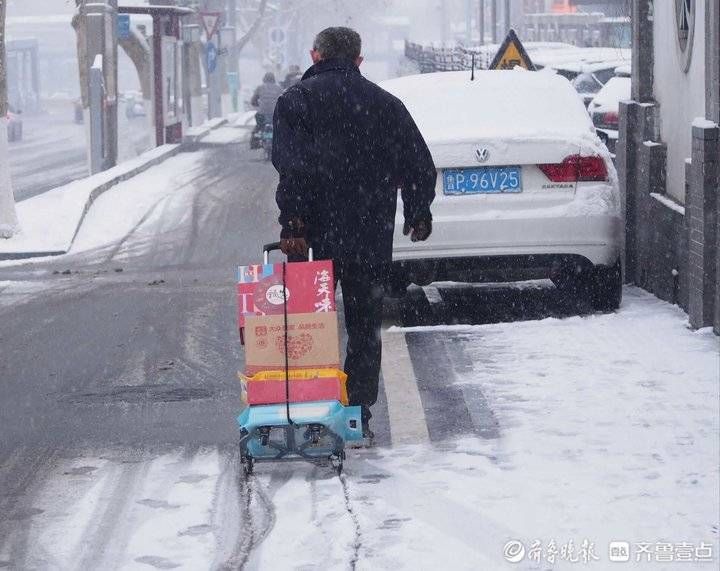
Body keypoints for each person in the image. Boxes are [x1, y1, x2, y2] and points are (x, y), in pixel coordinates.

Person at [272, 27, 436, 438]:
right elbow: (419, 163)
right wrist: (417, 213)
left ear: (315, 55)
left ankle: (315, 408)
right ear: (359, 60)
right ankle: (356, 412)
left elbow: (291, 167)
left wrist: (292, 222)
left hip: (312, 236)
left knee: (313, 325)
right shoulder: (386, 104)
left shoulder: (296, 102)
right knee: (364, 325)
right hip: (369, 233)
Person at [250, 72, 283, 148]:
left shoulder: (260, 88)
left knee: (258, 126)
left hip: (262, 113)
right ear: (273, 79)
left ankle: (254, 142)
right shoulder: (278, 88)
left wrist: (257, 105)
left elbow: (253, 101)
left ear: (264, 79)